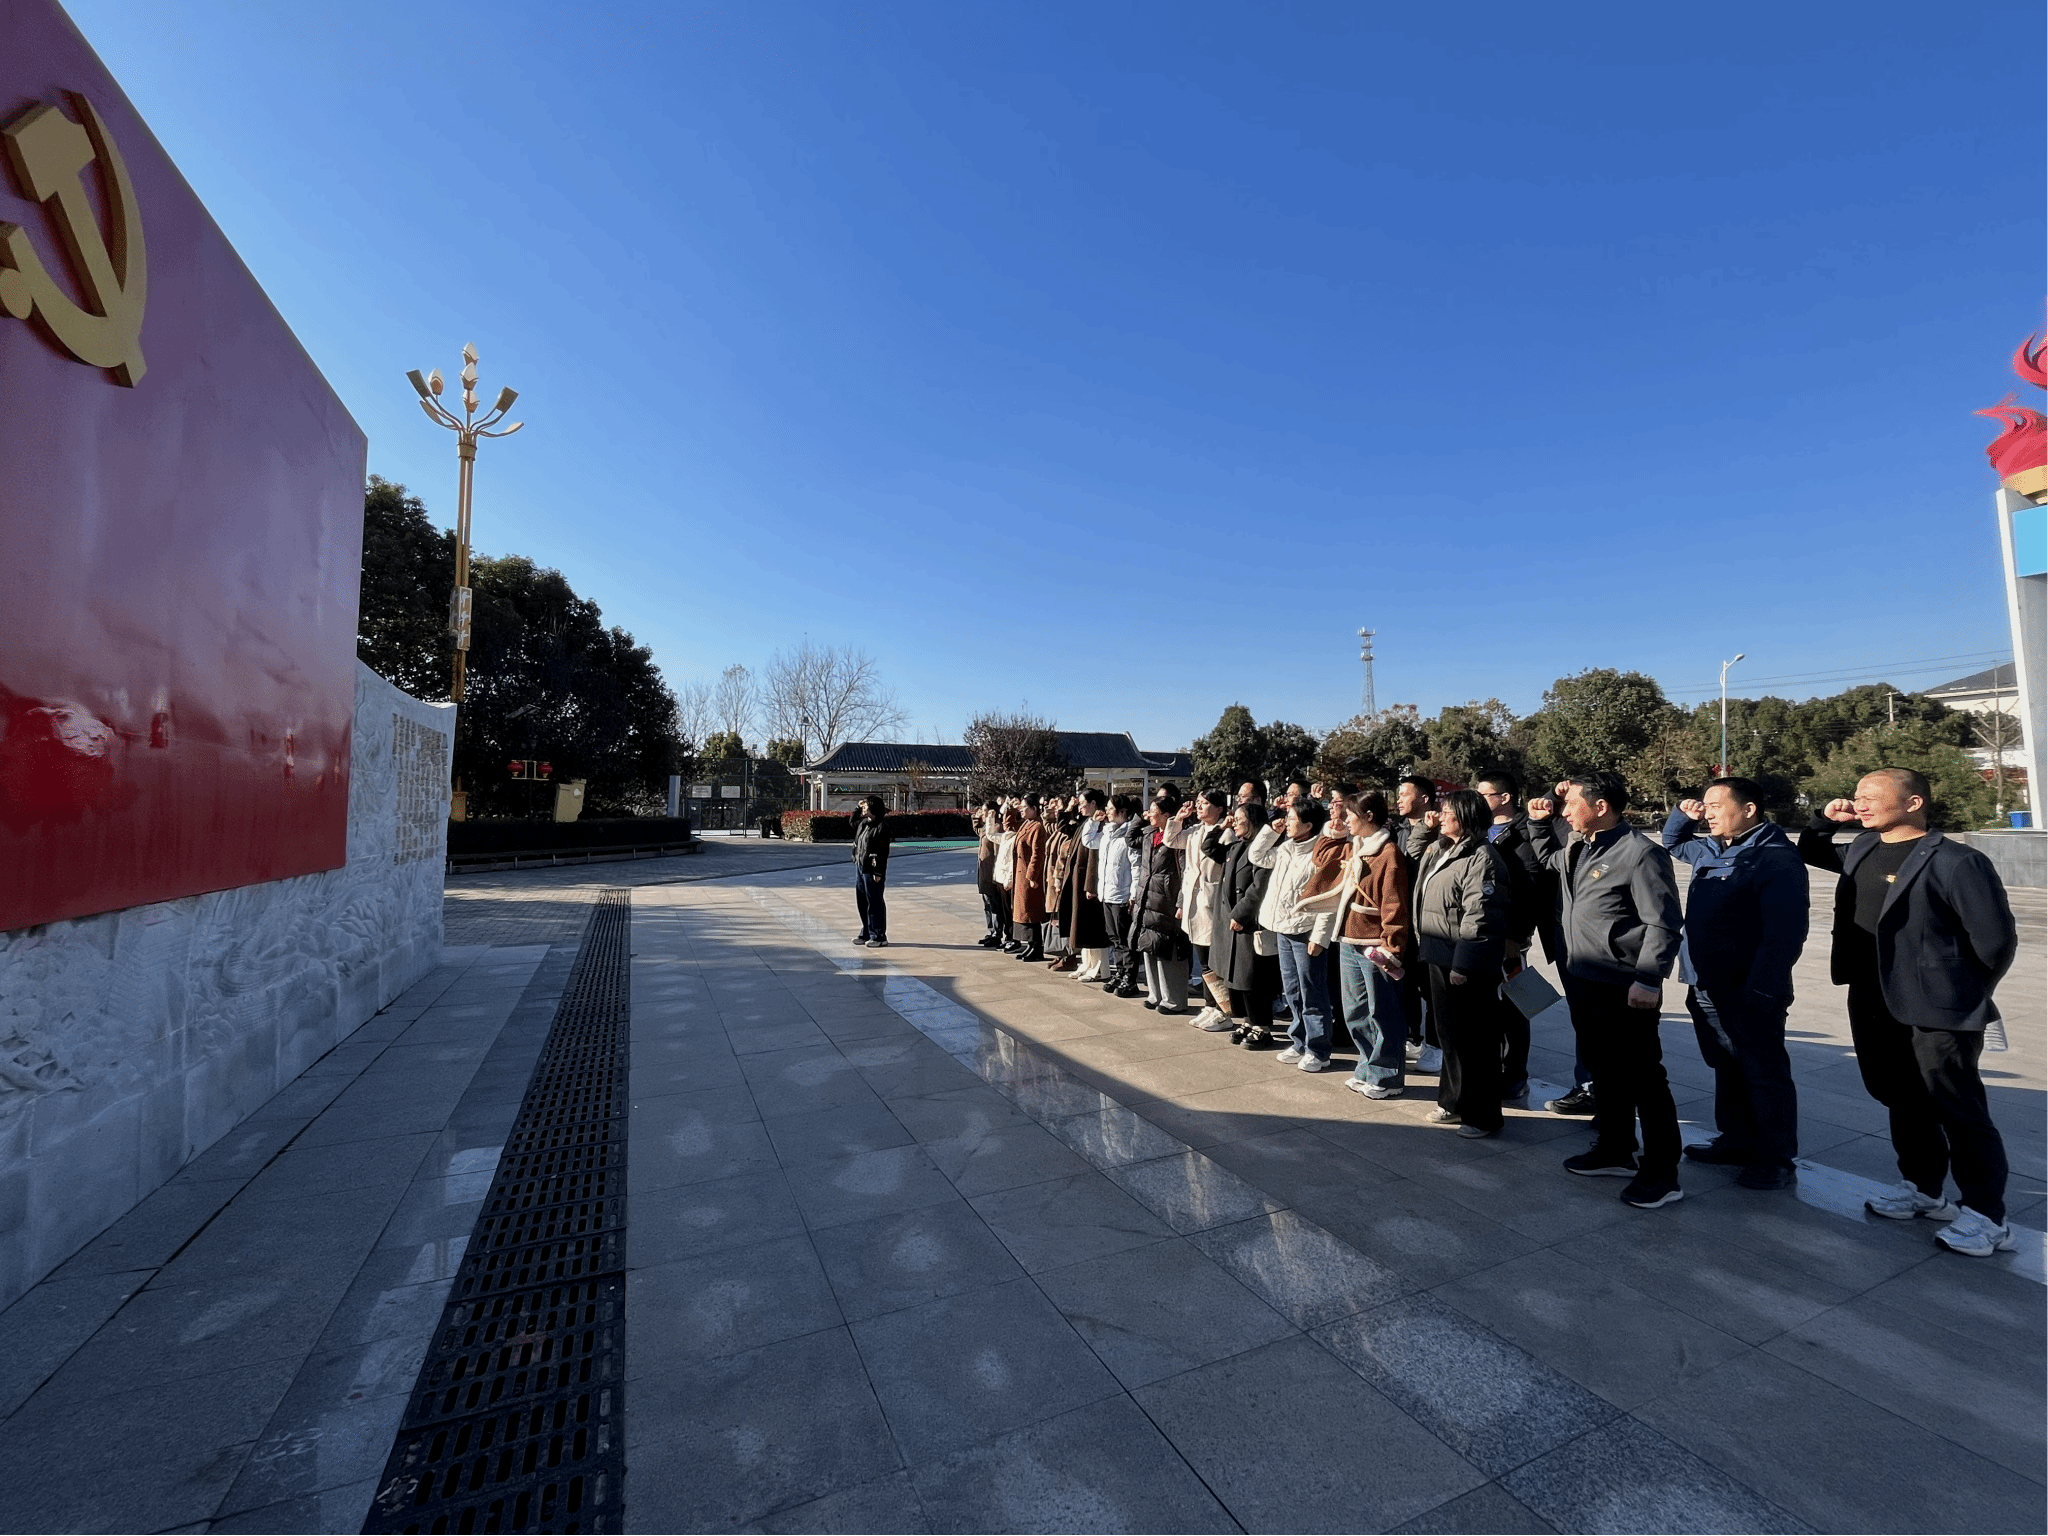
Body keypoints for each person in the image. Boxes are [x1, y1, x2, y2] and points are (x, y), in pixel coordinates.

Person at [1799, 769, 2020, 1256]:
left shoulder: (1957, 861)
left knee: (1958, 1108)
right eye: (1857, 795)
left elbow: (1996, 942)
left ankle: (1988, 1216)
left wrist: (1962, 995)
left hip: (1936, 1007)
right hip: (1872, 998)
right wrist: (1823, 821)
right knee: (1900, 1096)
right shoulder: (1862, 848)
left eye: (1871, 797)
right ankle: (1924, 1189)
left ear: (1914, 802)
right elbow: (1811, 851)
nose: (1859, 803)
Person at [1527, 773, 1686, 1209]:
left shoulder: (1640, 854)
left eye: (1572, 803)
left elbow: (1663, 923)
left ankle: (1662, 1173)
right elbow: (1547, 860)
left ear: (1601, 807)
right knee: (1604, 1069)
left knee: (1644, 1078)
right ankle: (1616, 1148)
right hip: (1583, 977)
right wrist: (1539, 821)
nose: (1564, 812)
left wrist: (1648, 978)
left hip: (1624, 984)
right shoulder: (1578, 846)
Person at [1663, 777, 1809, 1190]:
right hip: (1706, 982)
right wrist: (1682, 814)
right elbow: (1673, 842)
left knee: (1763, 1071)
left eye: (1715, 806)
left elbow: (1784, 934)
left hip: (1747, 987)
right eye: (1705, 805)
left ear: (1748, 809)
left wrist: (1762, 989)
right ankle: (1735, 1139)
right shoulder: (1713, 848)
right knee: (1726, 1064)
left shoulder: (1775, 857)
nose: (1707, 813)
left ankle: (1775, 1158)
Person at [1412, 789, 1512, 1137]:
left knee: (1476, 1040)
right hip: (1438, 954)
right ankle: (1454, 1102)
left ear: (1467, 819)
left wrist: (1464, 964)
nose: (1440, 816)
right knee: (1451, 1036)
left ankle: (1482, 1116)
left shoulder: (1482, 858)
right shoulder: (1442, 849)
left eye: (1447, 813)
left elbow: (1479, 916)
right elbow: (1415, 859)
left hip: (1464, 962)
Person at [1323, 789, 1412, 1099]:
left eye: (1350, 815)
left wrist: (1392, 945)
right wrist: (1333, 833)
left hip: (1375, 943)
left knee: (1382, 1012)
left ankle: (1387, 1076)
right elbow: (1321, 857)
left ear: (1369, 817)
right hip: (1349, 939)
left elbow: (1394, 903)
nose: (1346, 819)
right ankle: (1366, 1067)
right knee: (1355, 1011)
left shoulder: (1388, 852)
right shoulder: (1355, 846)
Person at [1248, 796, 1338, 1070]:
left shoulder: (1319, 854)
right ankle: (1299, 1042)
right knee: (1292, 990)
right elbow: (1257, 856)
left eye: (1291, 819)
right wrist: (1270, 831)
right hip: (1283, 929)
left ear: (1309, 825)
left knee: (1312, 991)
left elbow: (1327, 899)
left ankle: (1318, 1049)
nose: (1286, 823)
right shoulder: (1286, 848)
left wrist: (1319, 937)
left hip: (1305, 931)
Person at [1217, 802, 1281, 1048]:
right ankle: (1248, 1020)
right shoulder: (1237, 846)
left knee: (1254, 977)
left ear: (1253, 821)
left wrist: (1241, 914)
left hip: (1251, 921)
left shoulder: (1264, 850)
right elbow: (1210, 848)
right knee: (1239, 978)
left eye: (1239, 818)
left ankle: (1262, 1026)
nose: (1234, 822)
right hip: (1233, 919)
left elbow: (1259, 887)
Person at [1394, 774, 1443, 1074]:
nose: (1398, 799)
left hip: (1430, 923)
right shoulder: (1396, 830)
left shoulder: (1441, 831)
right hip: (1404, 921)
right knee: (1406, 983)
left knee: (1432, 989)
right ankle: (1413, 1037)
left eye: (1404, 794)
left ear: (1424, 798)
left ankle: (1435, 1045)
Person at [1178, 790, 1235, 1031]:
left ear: (1220, 808)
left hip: (1213, 902)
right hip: (1194, 902)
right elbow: (1172, 839)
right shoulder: (1194, 831)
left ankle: (1223, 1011)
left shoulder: (1227, 833)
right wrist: (1179, 818)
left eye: (1205, 803)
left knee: (1213, 961)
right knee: (1203, 960)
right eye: (1198, 803)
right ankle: (1210, 1006)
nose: (1199, 807)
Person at [1132, 788, 1191, 1013]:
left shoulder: (1180, 838)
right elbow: (1131, 837)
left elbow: (1185, 871)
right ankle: (1155, 994)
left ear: (1167, 815)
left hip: (1168, 900)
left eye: (1153, 811)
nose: (1149, 814)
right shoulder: (1149, 834)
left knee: (1169, 951)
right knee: (1150, 946)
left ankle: (1174, 999)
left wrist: (1181, 902)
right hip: (1148, 897)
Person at [1066, 789, 1114, 980]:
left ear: (1094, 803)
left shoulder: (1102, 824)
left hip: (1091, 880)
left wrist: (1092, 885)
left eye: (1083, 803)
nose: (1080, 807)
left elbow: (1095, 856)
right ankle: (1087, 963)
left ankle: (1100, 968)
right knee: (1083, 925)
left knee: (1095, 927)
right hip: (1081, 878)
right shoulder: (1088, 821)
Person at [1010, 794, 1049, 962]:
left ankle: (1037, 946)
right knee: (1024, 911)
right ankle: (1031, 945)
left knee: (1031, 912)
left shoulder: (1038, 827)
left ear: (1034, 809)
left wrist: (1032, 875)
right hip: (1020, 874)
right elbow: (1009, 825)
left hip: (1029, 876)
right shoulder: (1026, 824)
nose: (1021, 810)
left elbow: (1037, 854)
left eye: (1024, 807)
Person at [850, 795, 893, 948]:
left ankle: (879, 935)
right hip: (860, 867)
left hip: (873, 869)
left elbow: (883, 852)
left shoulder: (881, 827)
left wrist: (878, 872)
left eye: (866, 806)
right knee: (862, 901)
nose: (863, 808)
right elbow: (852, 822)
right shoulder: (864, 824)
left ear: (873, 807)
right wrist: (857, 807)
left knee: (874, 901)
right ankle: (866, 932)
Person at [972, 798, 1007, 948]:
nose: (983, 813)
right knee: (987, 904)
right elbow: (978, 830)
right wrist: (975, 817)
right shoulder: (986, 827)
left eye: (985, 811)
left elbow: (998, 852)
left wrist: (996, 873)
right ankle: (991, 930)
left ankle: (997, 934)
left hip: (991, 872)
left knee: (994, 905)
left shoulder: (996, 828)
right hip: (984, 872)